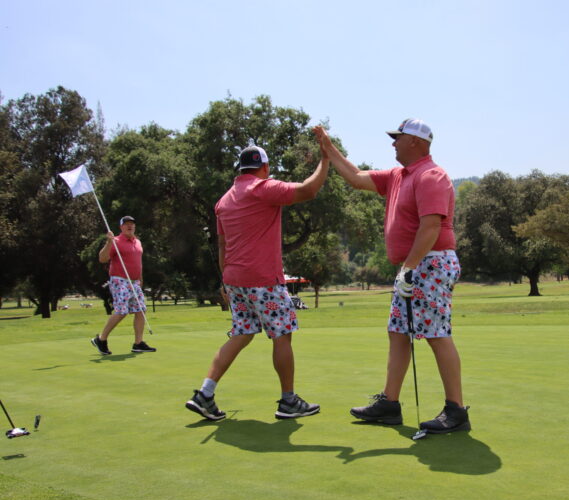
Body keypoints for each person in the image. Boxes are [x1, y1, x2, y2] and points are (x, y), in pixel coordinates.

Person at [315, 119, 470, 434]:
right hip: (412, 267)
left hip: (431, 263)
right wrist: (329, 150)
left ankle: (456, 411)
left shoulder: (431, 176)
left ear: (415, 141)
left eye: (398, 138)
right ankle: (389, 403)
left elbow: (431, 227)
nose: (393, 143)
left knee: (437, 334)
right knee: (398, 333)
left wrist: (410, 268)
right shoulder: (398, 176)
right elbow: (357, 178)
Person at [185, 142, 329, 421]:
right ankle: (288, 401)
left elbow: (223, 246)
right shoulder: (263, 188)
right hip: (263, 279)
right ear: (265, 167)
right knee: (282, 335)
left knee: (241, 334)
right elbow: (308, 190)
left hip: (235, 279)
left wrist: (225, 282)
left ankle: (205, 393)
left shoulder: (224, 201)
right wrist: (325, 160)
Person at [90, 216, 156, 355]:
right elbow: (102, 258)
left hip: (135, 282)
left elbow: (138, 263)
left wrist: (140, 279)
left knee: (141, 310)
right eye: (126, 224)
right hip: (120, 280)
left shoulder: (137, 242)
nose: (129, 226)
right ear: (121, 227)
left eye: (132, 224)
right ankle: (101, 339)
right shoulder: (116, 241)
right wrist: (109, 242)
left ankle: (138, 343)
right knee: (122, 311)